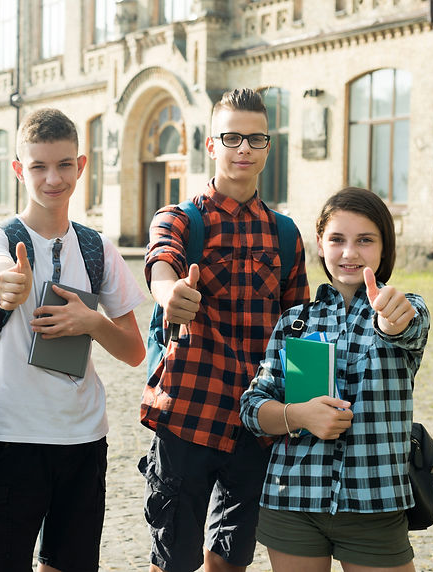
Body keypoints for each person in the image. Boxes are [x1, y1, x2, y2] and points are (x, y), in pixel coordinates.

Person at [140, 88, 310, 572]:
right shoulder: (179, 219)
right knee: (173, 559)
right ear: (211, 145)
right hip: (189, 413)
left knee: (232, 558)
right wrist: (169, 293)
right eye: (231, 137)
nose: (243, 149)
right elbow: (161, 263)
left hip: (256, 425)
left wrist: (301, 409)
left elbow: (298, 328)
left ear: (267, 148)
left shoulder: (285, 234)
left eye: (255, 139)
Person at [0, 107, 146, 572]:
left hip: (84, 438)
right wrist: (8, 279)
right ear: (18, 170)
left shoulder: (97, 248)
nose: (53, 178)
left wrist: (92, 322)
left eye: (64, 164)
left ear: (81, 166)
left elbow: (134, 351)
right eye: (38, 166)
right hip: (11, 436)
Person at [240, 187, 430, 571]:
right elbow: (252, 406)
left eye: (365, 240)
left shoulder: (405, 307)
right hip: (293, 501)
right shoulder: (294, 322)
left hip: (374, 503)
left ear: (384, 246)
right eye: (337, 240)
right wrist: (299, 415)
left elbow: (403, 327)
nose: (349, 253)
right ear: (320, 244)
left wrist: (391, 319)